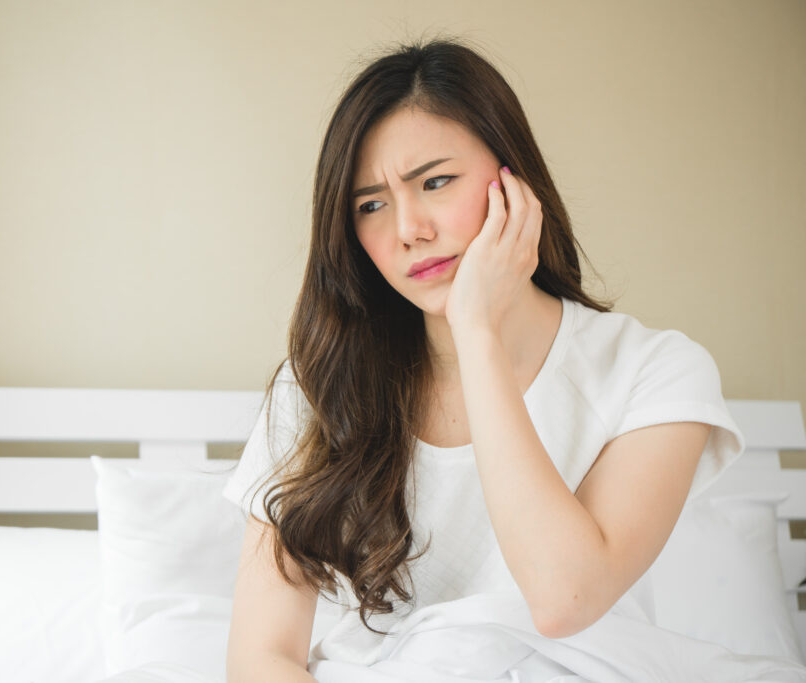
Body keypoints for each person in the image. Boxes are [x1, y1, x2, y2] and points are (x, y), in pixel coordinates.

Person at [221, 38, 750, 682]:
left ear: (513, 177)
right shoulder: (321, 388)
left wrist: (476, 332)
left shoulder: (656, 372)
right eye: (370, 205)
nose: (408, 228)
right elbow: (260, 658)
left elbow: (563, 601)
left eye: (436, 181)